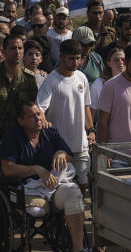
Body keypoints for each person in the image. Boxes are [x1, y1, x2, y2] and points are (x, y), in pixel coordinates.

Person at [0, 101, 101, 252]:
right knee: (38, 211)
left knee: (74, 194)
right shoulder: (13, 135)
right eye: (31, 116)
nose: (37, 118)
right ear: (21, 121)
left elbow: (68, 155)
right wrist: (37, 169)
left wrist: (61, 153)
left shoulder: (50, 131)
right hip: (27, 188)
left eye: (38, 114)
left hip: (55, 185)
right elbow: (7, 169)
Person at [0, 34, 39, 197]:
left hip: (21, 140)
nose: (17, 52)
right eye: (12, 48)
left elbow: (33, 109)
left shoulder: (30, 78)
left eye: (20, 48)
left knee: (22, 190)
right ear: (4, 51)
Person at [37, 39, 94, 191]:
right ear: (61, 57)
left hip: (80, 145)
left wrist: (91, 130)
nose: (76, 62)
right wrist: (43, 120)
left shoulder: (82, 77)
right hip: (59, 149)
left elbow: (86, 106)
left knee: (83, 185)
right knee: (61, 188)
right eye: (72, 58)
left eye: (78, 58)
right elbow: (40, 109)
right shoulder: (50, 81)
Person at [90, 46, 126, 117]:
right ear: (109, 63)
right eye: (116, 60)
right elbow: (92, 111)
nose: (121, 62)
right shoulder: (99, 83)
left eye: (123, 59)